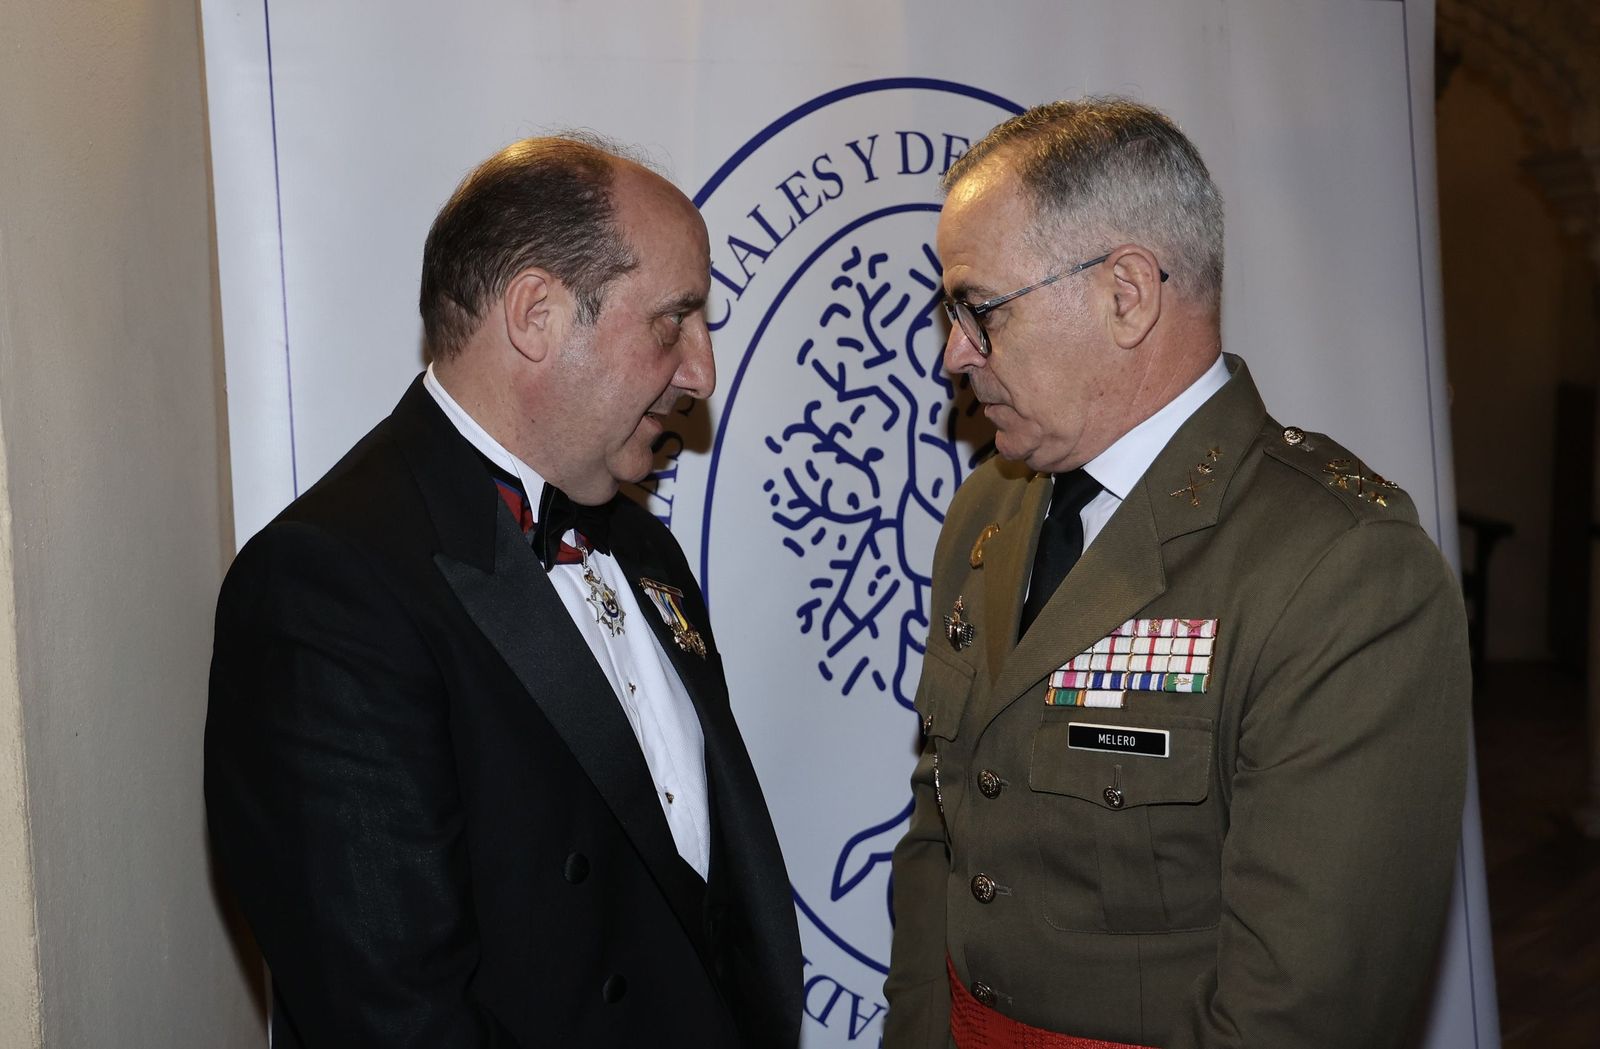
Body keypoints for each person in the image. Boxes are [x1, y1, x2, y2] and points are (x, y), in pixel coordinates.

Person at [883, 98, 1469, 1049]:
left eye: (979, 309)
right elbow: (940, 833)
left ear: (1126, 294)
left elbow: (1305, 1011)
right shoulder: (989, 508)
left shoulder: (1344, 571)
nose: (953, 353)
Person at [206, 134, 802, 1048]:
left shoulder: (641, 544)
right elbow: (391, 1016)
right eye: (672, 321)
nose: (702, 371)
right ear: (536, 313)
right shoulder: (328, 587)